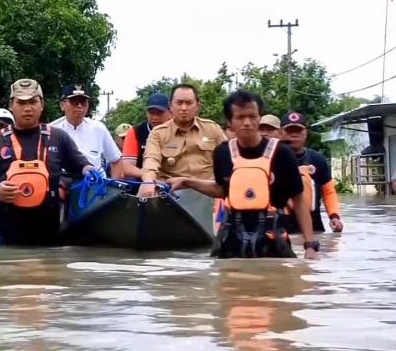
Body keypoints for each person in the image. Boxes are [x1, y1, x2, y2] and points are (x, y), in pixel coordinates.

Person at [168, 90, 319, 259]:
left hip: (272, 242)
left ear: (259, 117)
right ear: (230, 122)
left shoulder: (282, 153)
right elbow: (222, 190)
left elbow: (299, 200)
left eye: (252, 116)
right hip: (232, 242)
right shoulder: (223, 152)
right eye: (240, 117)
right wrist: (187, 182)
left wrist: (310, 245)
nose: (247, 123)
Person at [0, 79, 93, 245]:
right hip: (2, 236)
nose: (27, 108)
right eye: (21, 103)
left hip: (47, 235)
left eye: (33, 102)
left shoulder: (58, 137)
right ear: (11, 105)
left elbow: (80, 166)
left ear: (41, 104)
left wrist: (89, 170)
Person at [138, 84, 226, 197]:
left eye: (189, 103)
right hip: (171, 193)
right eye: (179, 103)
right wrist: (149, 182)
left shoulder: (212, 129)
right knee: (143, 192)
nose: (184, 108)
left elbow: (228, 159)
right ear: (170, 106)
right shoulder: (158, 133)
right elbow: (151, 160)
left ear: (197, 106)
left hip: (207, 191)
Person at [280, 111, 344, 233]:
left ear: (305, 133)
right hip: (283, 225)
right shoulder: (273, 159)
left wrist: (334, 217)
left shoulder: (318, 160)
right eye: (289, 131)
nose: (294, 135)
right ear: (281, 133)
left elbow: (329, 191)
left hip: (314, 224)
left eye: (298, 130)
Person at [50, 84, 123, 178]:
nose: (80, 106)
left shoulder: (98, 128)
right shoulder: (51, 130)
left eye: (83, 102)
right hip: (62, 183)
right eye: (75, 102)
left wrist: (112, 187)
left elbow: (116, 160)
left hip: (94, 183)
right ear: (63, 105)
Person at [122, 93, 173, 179]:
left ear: (170, 112)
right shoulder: (136, 132)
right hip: (144, 181)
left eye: (159, 113)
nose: (155, 117)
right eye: (151, 113)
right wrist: (150, 177)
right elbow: (127, 167)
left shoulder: (179, 130)